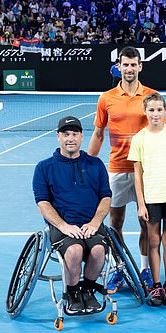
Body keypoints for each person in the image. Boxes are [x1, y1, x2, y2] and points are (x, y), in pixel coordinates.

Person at [88, 46, 157, 292]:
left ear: (140, 66)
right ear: (119, 66)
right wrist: (87, 162)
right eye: (124, 65)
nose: (129, 69)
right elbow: (98, 133)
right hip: (116, 168)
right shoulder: (106, 98)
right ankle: (119, 268)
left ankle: (146, 269)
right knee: (115, 222)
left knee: (146, 221)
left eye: (133, 64)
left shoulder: (151, 97)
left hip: (144, 171)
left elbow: (158, 134)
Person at [32, 116, 112, 313]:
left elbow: (106, 197)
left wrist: (95, 222)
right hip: (63, 227)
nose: (70, 138)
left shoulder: (96, 164)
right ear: (58, 137)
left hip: (90, 225)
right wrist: (63, 226)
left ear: (82, 137)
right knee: (75, 251)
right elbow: (42, 203)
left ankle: (88, 289)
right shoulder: (44, 167)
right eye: (66, 134)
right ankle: (73, 292)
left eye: (74, 134)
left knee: (98, 251)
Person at [128, 92, 166, 306]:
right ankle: (156, 286)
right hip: (151, 198)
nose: (155, 114)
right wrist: (141, 203)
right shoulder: (139, 138)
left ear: (165, 111)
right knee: (153, 240)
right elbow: (138, 173)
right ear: (145, 112)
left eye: (159, 109)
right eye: (151, 110)